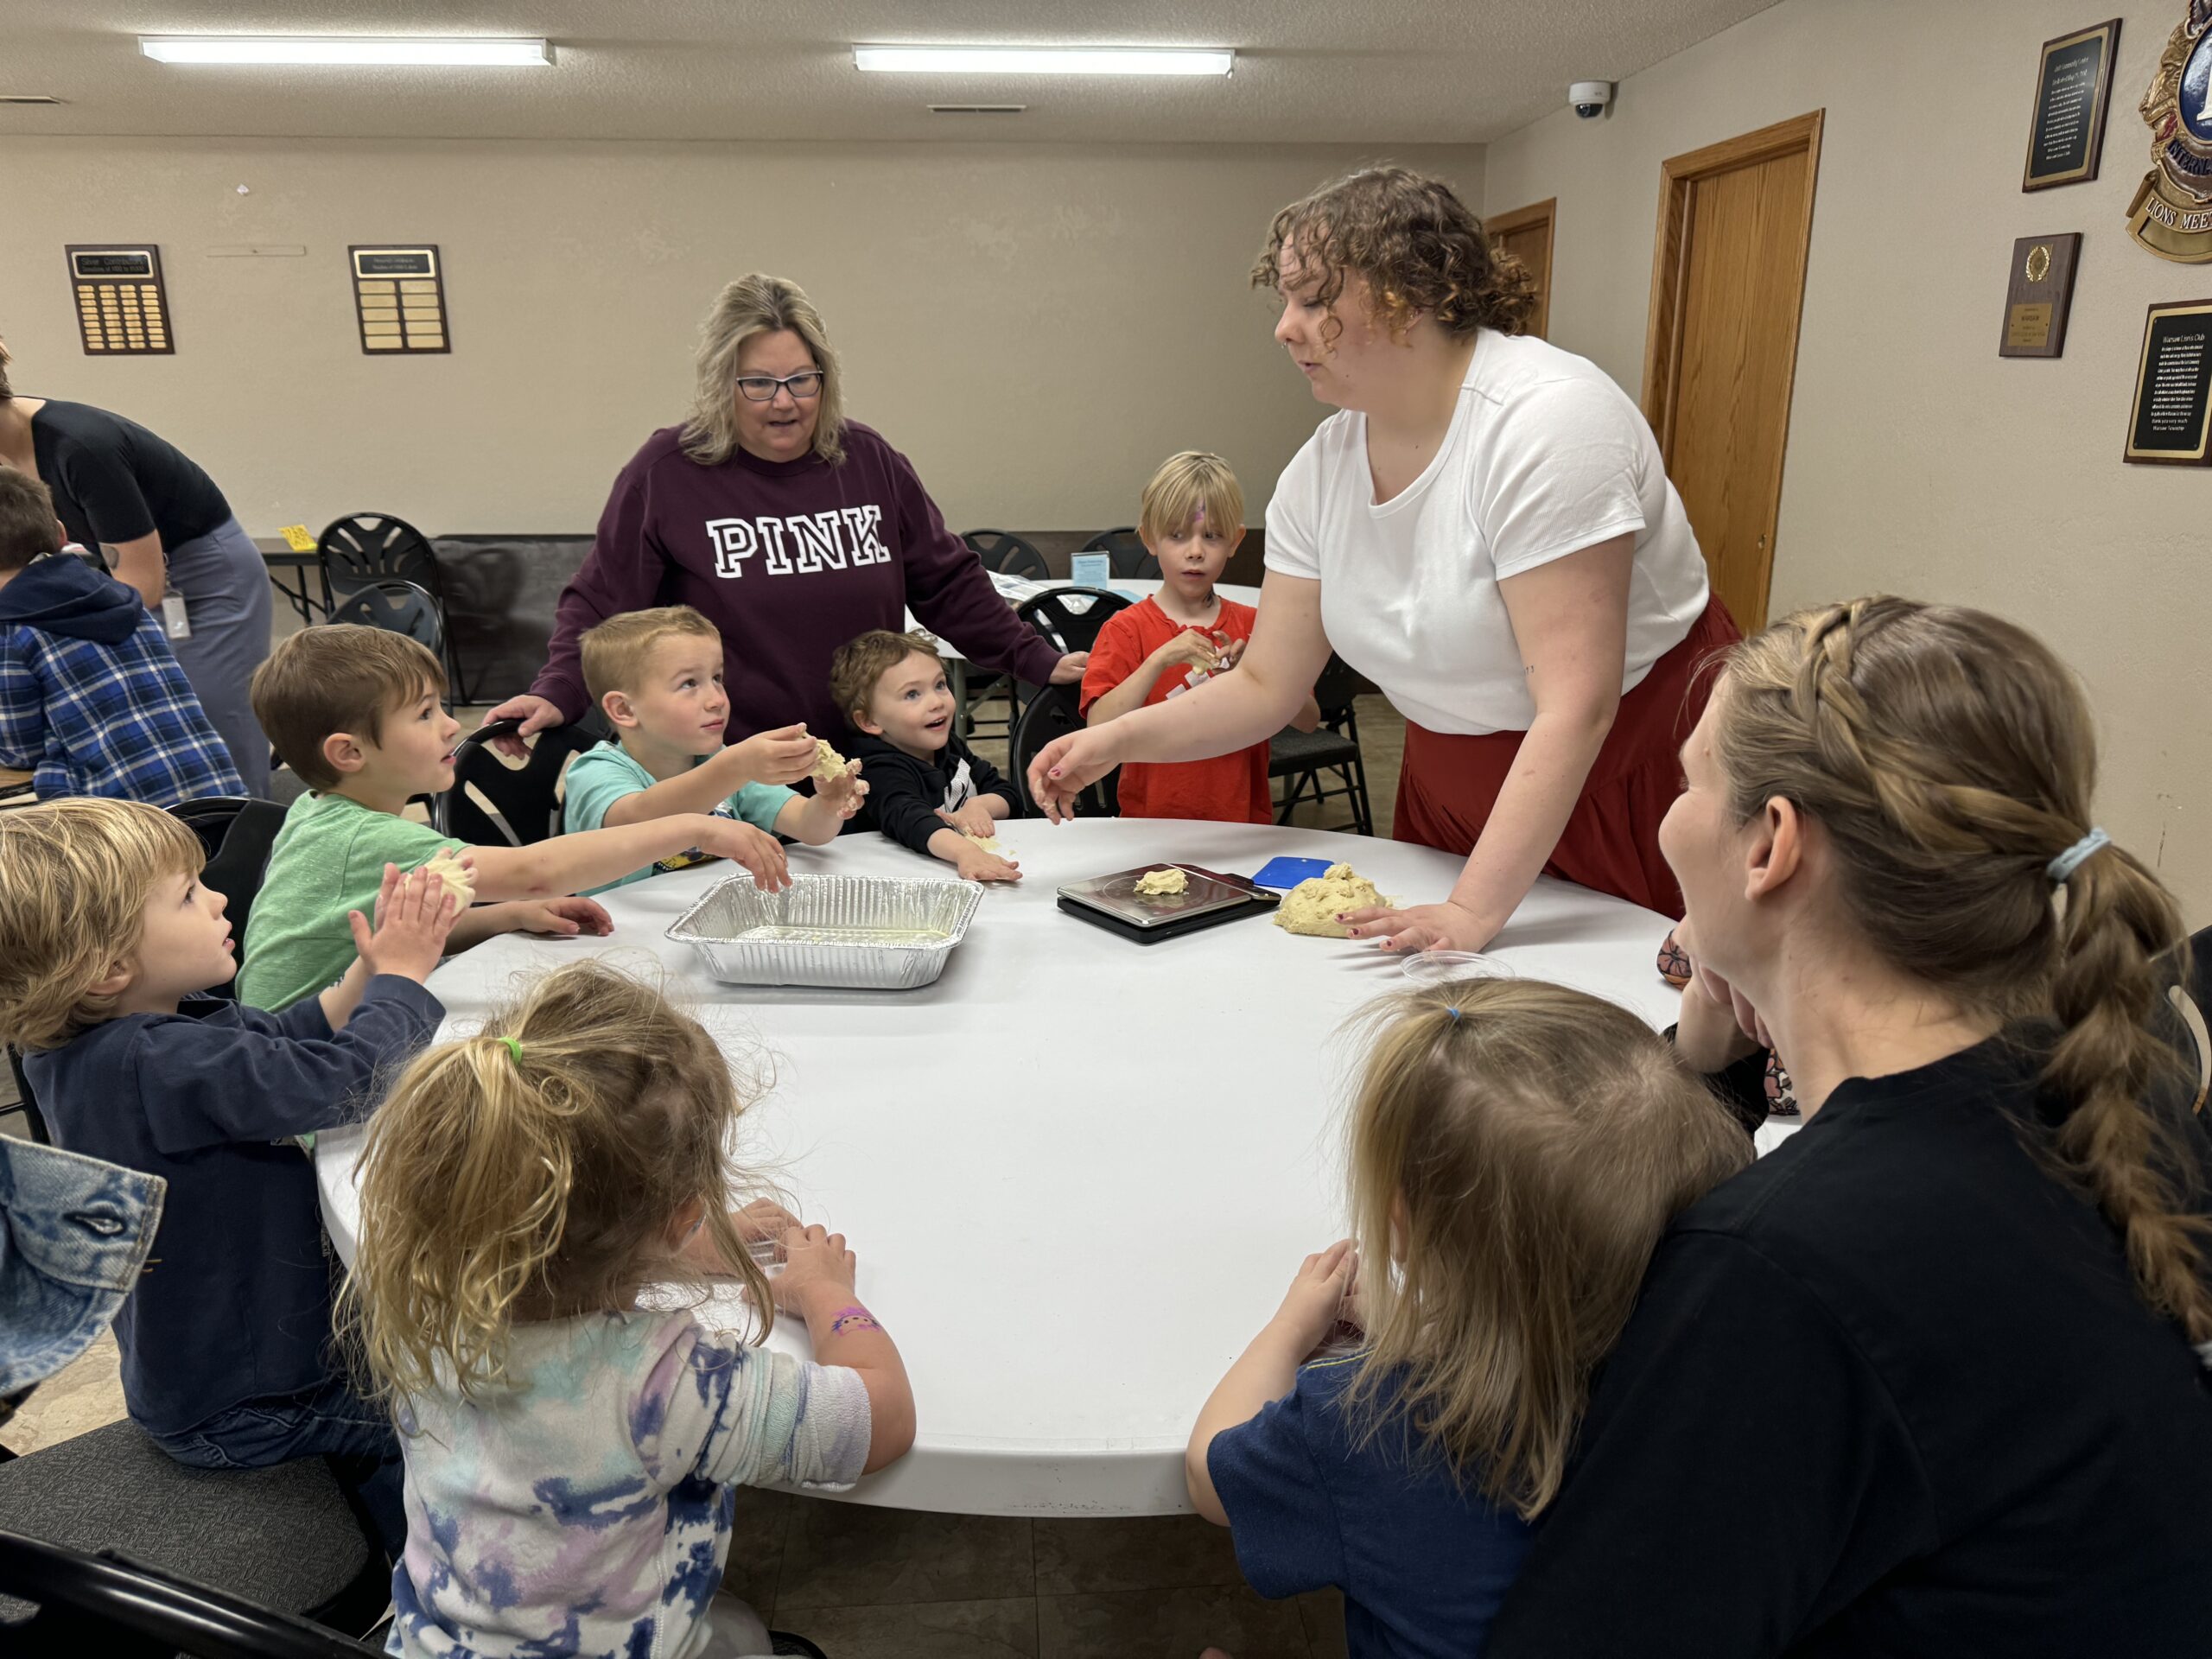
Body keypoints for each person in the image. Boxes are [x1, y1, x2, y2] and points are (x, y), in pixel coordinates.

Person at [1486, 598, 2212, 1657]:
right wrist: (1707, 1054)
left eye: (1690, 784)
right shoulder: (2115, 1088)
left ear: (1771, 845)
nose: (1670, 817)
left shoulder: (1773, 1277)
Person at [1030, 168, 1735, 951]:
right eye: (1285, 301)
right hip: (1451, 785)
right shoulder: (1321, 468)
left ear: (1407, 295)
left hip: (1628, 774)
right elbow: (1266, 686)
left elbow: (1577, 707)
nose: (1284, 328)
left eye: (1312, 300)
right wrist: (1115, 739)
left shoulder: (1548, 421)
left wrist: (1471, 911)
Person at [341, 959, 916, 1658]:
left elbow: (550, 1250)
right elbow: (880, 1421)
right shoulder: (663, 1385)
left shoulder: (419, 1304)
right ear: (681, 1216)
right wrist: (828, 1291)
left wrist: (663, 1248)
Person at [1186, 978, 1747, 1658]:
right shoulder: (1711, 1373)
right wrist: (1429, 1327)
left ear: (1398, 1218)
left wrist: (1289, 1330)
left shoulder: (1367, 1421)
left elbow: (1212, 1478)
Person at [0, 797, 461, 1553]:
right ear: (108, 969)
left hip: (207, 1384)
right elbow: (345, 1082)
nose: (218, 897)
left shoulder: (104, 1045)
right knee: (460, 1421)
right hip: (252, 1407)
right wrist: (404, 980)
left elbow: (281, 1042)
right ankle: (418, 1570)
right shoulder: (157, 1063)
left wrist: (367, 976)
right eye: (187, 894)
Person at [483, 273, 1088, 752]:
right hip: (736, 768)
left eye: (802, 380)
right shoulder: (667, 470)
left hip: (873, 755)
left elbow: (948, 583)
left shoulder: (868, 460)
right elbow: (601, 602)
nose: (784, 403)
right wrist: (557, 691)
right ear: (723, 383)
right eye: (759, 384)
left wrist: (1037, 656)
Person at [235, 626, 794, 1011]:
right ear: (349, 753)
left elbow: (390, 931)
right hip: (301, 1076)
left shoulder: (321, 813)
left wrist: (508, 916)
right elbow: (537, 869)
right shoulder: (362, 834)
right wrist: (697, 827)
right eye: (425, 714)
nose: (452, 727)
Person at [0, 337, 275, 795]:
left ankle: (252, 855)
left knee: (215, 721)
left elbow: (141, 589)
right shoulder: (11, 451)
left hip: (205, 572)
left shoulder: (80, 448)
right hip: (135, 578)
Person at [1079, 452, 1318, 822]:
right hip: (1150, 825)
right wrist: (1158, 660)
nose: (1194, 552)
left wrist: (1257, 672)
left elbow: (1308, 719)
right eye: (1176, 536)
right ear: (1149, 538)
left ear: (1236, 541)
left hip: (1243, 824)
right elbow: (1098, 726)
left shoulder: (1257, 625)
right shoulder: (1125, 629)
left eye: (1212, 536)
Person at [563, 606, 868, 893]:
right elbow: (638, 820)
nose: (717, 699)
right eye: (688, 684)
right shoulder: (596, 771)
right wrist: (735, 766)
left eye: (717, 678)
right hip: (618, 933)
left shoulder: (719, 762)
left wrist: (828, 804)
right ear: (624, 709)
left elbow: (808, 828)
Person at [0, 467, 243, 804]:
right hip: (225, 805)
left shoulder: (11, 629)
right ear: (61, 534)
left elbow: (18, 750)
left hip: (127, 829)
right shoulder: (119, 595)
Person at [829, 629, 1021, 883]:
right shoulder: (876, 770)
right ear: (869, 720)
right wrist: (965, 852)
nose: (936, 702)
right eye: (912, 694)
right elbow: (913, 820)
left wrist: (980, 805)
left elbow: (1010, 795)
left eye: (940, 685)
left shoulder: (949, 748)